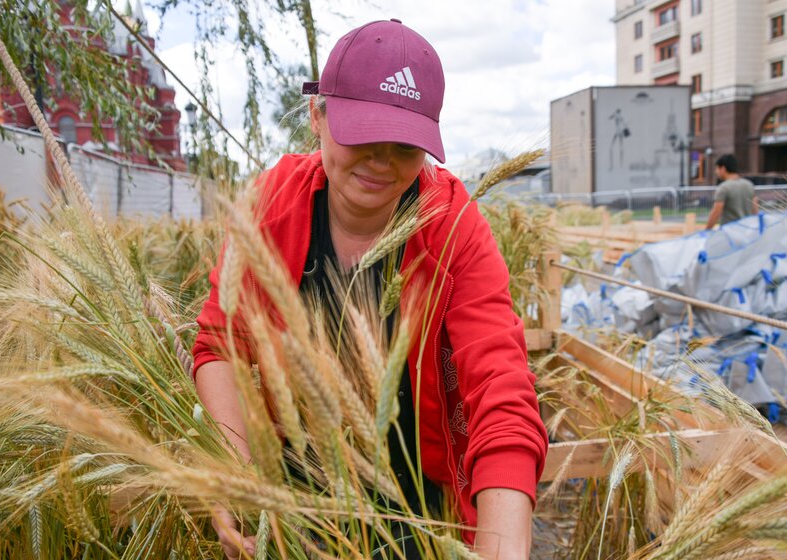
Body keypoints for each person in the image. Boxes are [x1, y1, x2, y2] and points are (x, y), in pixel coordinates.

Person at [192, 19, 547, 560]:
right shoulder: (271, 206)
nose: (383, 161)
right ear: (318, 115)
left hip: (423, 514)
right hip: (296, 505)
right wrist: (235, 480)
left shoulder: (452, 223)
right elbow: (220, 344)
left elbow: (500, 388)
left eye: (406, 146)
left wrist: (505, 547)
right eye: (363, 134)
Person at [705, 154, 758, 229]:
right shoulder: (749, 185)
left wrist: (706, 230)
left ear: (723, 168)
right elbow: (755, 210)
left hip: (730, 234)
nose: (716, 172)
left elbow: (716, 212)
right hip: (747, 232)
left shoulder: (724, 188)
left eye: (717, 169)